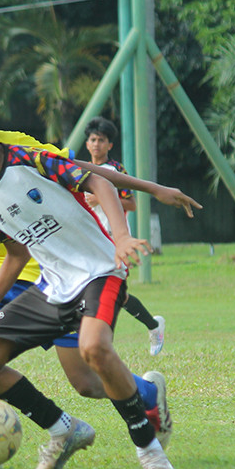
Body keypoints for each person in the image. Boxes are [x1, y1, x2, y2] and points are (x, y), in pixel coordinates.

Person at [0, 52, 195, 469]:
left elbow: (88, 173)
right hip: (11, 277)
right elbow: (1, 251)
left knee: (90, 375)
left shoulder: (21, 150)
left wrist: (147, 197)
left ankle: (147, 412)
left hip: (68, 271)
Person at [84, 116, 166, 356]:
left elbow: (131, 204)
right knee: (98, 292)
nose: (96, 144)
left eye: (101, 140)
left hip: (114, 240)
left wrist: (101, 198)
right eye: (93, 139)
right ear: (87, 144)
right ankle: (152, 325)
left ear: (109, 145)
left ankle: (104, 343)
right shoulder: (81, 171)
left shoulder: (115, 170)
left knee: (112, 293)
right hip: (90, 239)